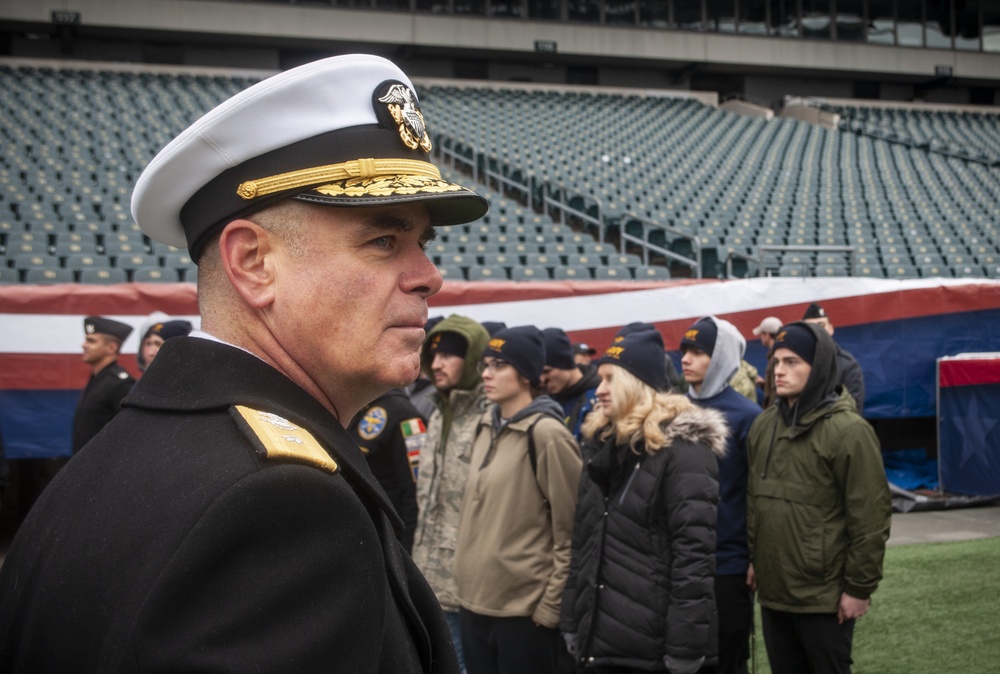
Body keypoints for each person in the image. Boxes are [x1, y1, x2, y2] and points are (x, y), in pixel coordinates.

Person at [0, 54, 490, 672]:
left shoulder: (113, 459)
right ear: (254, 263)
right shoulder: (282, 505)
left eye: (422, 244)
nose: (430, 278)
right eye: (383, 240)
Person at [561, 328, 727, 674]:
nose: (600, 389)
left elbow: (693, 558)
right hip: (601, 641)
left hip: (654, 650)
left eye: (610, 379)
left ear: (636, 384)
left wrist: (684, 649)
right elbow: (584, 544)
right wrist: (573, 621)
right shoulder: (601, 445)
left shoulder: (685, 452)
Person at [746, 322, 891, 674]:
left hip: (824, 600)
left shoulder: (850, 432)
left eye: (792, 361)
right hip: (774, 594)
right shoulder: (763, 426)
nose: (779, 370)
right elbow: (756, 503)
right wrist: (756, 559)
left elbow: (870, 519)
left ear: (820, 365)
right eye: (776, 361)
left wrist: (858, 589)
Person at [455, 326, 582, 674]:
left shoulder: (548, 435)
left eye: (499, 365)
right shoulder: (484, 424)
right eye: (485, 364)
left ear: (526, 374)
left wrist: (549, 609)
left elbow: (571, 531)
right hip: (472, 605)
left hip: (523, 616)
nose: (486, 373)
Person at [680, 317, 762, 674]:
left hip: (728, 563)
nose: (685, 359)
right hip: (678, 560)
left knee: (728, 657)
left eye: (698, 352)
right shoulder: (673, 410)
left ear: (722, 357)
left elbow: (759, 494)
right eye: (685, 350)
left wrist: (756, 555)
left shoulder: (748, 416)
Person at [412, 314, 491, 672]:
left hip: (470, 587)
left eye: (449, 355)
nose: (437, 363)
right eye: (433, 355)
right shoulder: (438, 412)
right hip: (428, 576)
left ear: (473, 359)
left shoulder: (491, 418)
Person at [351, 387, 426, 553]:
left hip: (387, 540)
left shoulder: (404, 415)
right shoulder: (357, 408)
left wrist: (405, 555)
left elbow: (414, 493)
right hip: (359, 534)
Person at [72, 316, 135, 454]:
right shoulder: (97, 379)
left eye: (92, 341)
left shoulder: (120, 383)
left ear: (112, 347)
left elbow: (127, 434)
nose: (84, 345)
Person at [802, 303, 865, 414]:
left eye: (821, 325)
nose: (817, 331)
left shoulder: (847, 365)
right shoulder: (797, 363)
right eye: (811, 327)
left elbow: (853, 408)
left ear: (831, 329)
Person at [541, 327, 600, 442]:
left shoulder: (599, 396)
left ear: (565, 363)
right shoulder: (544, 398)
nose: (542, 379)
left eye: (547, 371)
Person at [752, 316, 782, 408]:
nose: (761, 337)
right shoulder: (779, 353)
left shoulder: (775, 357)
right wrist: (763, 384)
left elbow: (777, 390)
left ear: (767, 335)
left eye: (761, 334)